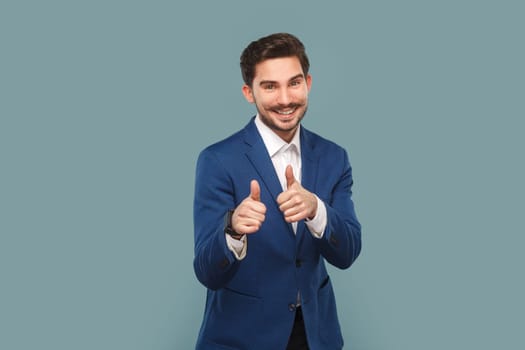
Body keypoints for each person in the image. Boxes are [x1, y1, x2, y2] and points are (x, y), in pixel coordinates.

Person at [193, 32, 361, 350]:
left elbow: (348, 252)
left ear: (308, 83)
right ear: (248, 92)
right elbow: (206, 271)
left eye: (293, 83)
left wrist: (317, 210)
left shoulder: (334, 157)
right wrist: (232, 228)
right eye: (270, 86)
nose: (285, 99)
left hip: (315, 335)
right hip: (242, 337)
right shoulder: (217, 160)